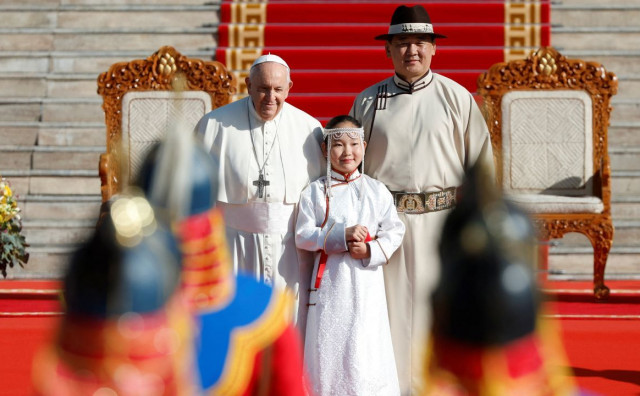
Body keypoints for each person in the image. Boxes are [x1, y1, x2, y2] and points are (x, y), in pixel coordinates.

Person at [349, 5, 495, 395]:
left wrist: (481, 223)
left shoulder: (457, 98)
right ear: (388, 51)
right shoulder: (367, 102)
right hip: (387, 224)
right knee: (387, 311)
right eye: (402, 43)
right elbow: (348, 167)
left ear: (433, 49)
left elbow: (482, 165)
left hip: (441, 220)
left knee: (440, 308)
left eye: (419, 43)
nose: (411, 51)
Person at [195, 54, 325, 330]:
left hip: (290, 251)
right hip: (233, 247)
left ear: (290, 87)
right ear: (248, 85)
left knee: (288, 324)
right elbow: (195, 192)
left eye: (278, 89)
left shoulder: (309, 128)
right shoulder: (215, 125)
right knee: (237, 322)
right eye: (263, 88)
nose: (271, 97)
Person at [295, 115, 405, 395]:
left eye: (354, 144)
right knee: (329, 344)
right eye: (338, 145)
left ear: (364, 147)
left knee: (365, 342)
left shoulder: (376, 191)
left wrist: (370, 249)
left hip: (366, 284)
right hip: (330, 286)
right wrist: (339, 235)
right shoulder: (315, 193)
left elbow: (394, 231)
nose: (347, 152)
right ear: (324, 150)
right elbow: (303, 234)